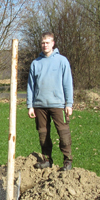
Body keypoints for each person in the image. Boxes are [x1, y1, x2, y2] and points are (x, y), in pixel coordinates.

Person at [26, 32, 73, 171]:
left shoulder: (62, 61)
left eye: (47, 42)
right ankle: (47, 160)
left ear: (53, 43)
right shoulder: (35, 63)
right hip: (39, 105)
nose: (45, 45)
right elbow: (30, 86)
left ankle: (67, 161)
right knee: (43, 134)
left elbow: (68, 83)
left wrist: (69, 104)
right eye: (43, 43)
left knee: (63, 133)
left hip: (58, 105)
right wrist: (30, 105)